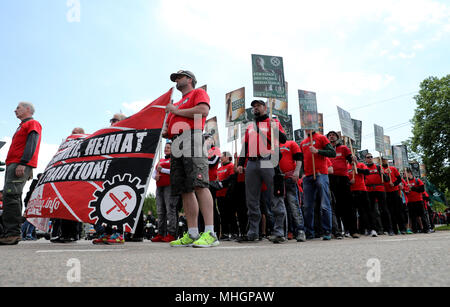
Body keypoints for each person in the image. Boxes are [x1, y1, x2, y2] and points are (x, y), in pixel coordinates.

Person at [162, 70, 219, 248]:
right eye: (175, 79)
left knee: (199, 183)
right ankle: (193, 232)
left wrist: (176, 111)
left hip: (192, 138)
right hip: (176, 142)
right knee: (185, 189)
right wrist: (166, 128)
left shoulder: (198, 93)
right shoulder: (176, 103)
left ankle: (210, 232)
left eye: (179, 77)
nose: (176, 80)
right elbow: (168, 127)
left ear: (190, 79)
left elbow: (203, 111)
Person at [237, 100, 287, 243]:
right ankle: (253, 232)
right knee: (251, 199)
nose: (255, 108)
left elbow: (283, 139)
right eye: (253, 106)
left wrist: (274, 127)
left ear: (265, 108)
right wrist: (241, 163)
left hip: (268, 159)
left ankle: (278, 231)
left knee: (275, 196)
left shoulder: (274, 122)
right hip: (251, 162)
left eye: (258, 106)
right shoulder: (250, 126)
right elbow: (245, 146)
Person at [0, 102, 42, 245]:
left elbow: (32, 142)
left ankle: (12, 234)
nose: (15, 110)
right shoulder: (21, 126)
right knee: (10, 196)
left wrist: (24, 163)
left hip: (19, 164)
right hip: (13, 164)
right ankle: (11, 232)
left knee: (11, 195)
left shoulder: (32, 123)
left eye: (18, 107)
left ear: (28, 109)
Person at [299, 129, 336, 240]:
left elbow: (332, 153)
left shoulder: (322, 138)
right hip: (308, 177)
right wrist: (302, 174)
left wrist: (318, 151)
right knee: (307, 206)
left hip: (321, 174)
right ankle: (309, 232)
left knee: (324, 204)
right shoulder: (302, 142)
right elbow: (302, 160)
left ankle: (327, 231)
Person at [327, 131, 359, 238]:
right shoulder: (326, 149)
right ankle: (338, 231)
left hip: (343, 179)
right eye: (330, 136)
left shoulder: (344, 148)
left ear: (337, 138)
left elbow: (351, 161)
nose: (332, 137)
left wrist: (354, 160)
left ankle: (353, 230)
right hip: (331, 179)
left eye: (333, 135)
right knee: (335, 205)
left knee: (348, 205)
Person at [151, 141, 179, 243]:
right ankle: (160, 233)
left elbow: (175, 172)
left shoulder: (175, 160)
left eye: (168, 147)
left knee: (170, 210)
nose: (166, 149)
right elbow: (154, 173)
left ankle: (171, 233)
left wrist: (162, 170)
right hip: (159, 187)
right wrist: (156, 176)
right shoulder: (160, 160)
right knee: (160, 211)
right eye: (165, 147)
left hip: (169, 187)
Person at [279, 139, 306, 242]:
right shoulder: (272, 144)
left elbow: (299, 157)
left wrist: (297, 172)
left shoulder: (291, 143)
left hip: (290, 178)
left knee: (294, 205)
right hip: (278, 180)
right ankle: (285, 232)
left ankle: (300, 231)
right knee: (281, 207)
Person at [347, 157, 378, 237]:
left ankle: (372, 229)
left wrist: (357, 169)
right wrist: (349, 182)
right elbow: (345, 178)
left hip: (362, 190)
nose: (353, 159)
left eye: (354, 158)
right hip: (352, 191)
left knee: (366, 211)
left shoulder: (361, 165)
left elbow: (367, 172)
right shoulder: (347, 166)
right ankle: (356, 230)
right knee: (353, 212)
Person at [364, 153, 394, 236]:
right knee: (372, 210)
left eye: (371, 157)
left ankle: (389, 229)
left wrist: (383, 174)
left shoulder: (378, 167)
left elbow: (387, 179)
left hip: (380, 189)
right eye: (368, 157)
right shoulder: (364, 168)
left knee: (384, 209)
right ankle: (374, 229)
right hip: (369, 190)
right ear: (365, 159)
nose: (369, 158)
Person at [380, 157, 407, 235]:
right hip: (386, 193)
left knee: (398, 211)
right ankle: (393, 229)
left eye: (384, 160)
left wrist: (394, 184)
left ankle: (402, 229)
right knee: (390, 212)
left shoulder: (393, 168)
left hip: (395, 192)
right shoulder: (380, 169)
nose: (383, 161)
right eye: (382, 160)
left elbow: (399, 179)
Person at [215, 151, 237, 240]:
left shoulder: (231, 166)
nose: (220, 158)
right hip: (219, 194)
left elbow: (231, 177)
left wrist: (222, 183)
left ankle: (234, 232)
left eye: (222, 157)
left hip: (228, 193)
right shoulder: (219, 168)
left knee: (230, 214)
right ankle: (224, 233)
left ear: (228, 157)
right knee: (222, 214)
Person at [405, 168, 431, 233]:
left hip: (418, 200)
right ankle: (415, 229)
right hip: (410, 201)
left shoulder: (417, 180)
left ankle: (426, 228)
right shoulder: (405, 182)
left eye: (405, 173)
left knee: (422, 215)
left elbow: (422, 189)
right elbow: (405, 191)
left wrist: (413, 188)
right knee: (412, 216)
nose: (404, 175)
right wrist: (407, 191)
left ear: (409, 173)